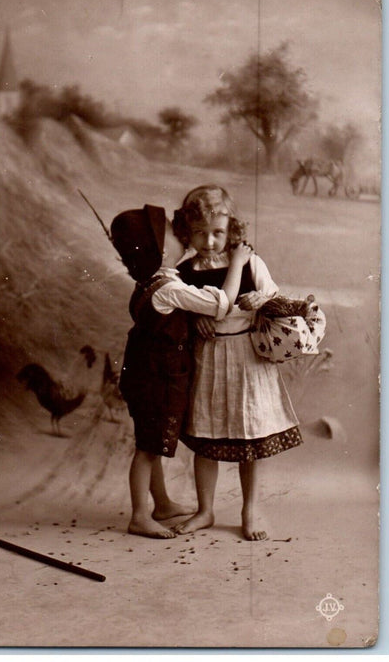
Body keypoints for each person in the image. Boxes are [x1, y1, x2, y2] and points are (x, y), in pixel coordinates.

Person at [110, 204, 251, 539]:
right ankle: (139, 516)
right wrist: (239, 264)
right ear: (160, 251)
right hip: (157, 379)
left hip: (142, 374)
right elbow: (221, 305)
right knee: (146, 450)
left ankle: (160, 504)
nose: (183, 236)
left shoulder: (152, 281)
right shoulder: (169, 288)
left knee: (149, 443)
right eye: (175, 234)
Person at [172, 185, 302, 541]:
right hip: (210, 358)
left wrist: (259, 300)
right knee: (205, 434)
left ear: (232, 230)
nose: (210, 241)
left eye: (217, 232)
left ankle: (250, 509)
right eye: (200, 233)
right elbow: (177, 306)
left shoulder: (247, 261)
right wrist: (192, 319)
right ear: (187, 231)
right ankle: (205, 509)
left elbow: (274, 294)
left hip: (247, 358)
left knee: (250, 434)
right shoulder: (186, 269)